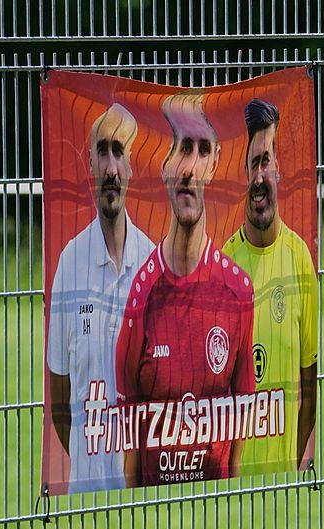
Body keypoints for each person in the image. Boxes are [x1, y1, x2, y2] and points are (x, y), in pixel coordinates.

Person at [115, 91, 256, 487]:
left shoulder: (238, 290)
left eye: (202, 150)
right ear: (164, 163)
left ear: (215, 163)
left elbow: (242, 421)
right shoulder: (141, 293)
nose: (190, 168)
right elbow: (129, 437)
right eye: (182, 148)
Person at [46, 103, 155, 493]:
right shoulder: (69, 264)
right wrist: (90, 460)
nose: (111, 168)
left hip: (144, 500)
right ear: (89, 163)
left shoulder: (153, 264)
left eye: (119, 152)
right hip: (86, 499)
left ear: (131, 166)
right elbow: (60, 402)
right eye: (103, 151)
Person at [223, 98, 318, 473]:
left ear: (279, 167)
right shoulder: (224, 267)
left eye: (266, 161)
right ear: (241, 174)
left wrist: (290, 469)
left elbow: (310, 386)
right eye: (253, 164)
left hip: (282, 490)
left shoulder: (299, 258)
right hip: (231, 490)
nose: (259, 177)